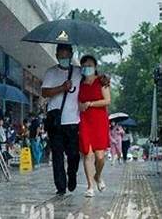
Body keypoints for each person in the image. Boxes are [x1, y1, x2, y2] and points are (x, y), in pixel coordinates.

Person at [41, 44, 82, 195]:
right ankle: (60, 186)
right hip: (56, 121)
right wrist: (61, 88)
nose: (64, 58)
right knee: (57, 155)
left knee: (73, 155)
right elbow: (44, 92)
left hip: (73, 121)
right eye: (61, 56)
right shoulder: (51, 72)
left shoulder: (78, 72)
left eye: (67, 56)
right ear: (57, 55)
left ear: (71, 55)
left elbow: (92, 80)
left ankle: (72, 175)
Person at [78, 55, 111, 197]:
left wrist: (90, 104)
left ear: (95, 66)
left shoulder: (102, 81)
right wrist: (81, 106)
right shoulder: (80, 84)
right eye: (84, 65)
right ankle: (90, 186)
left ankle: (97, 176)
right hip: (85, 121)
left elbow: (107, 100)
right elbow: (78, 103)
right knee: (87, 154)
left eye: (90, 65)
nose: (87, 68)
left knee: (100, 157)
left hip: (99, 122)